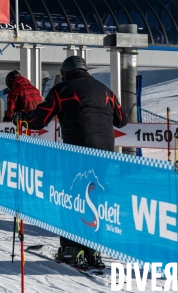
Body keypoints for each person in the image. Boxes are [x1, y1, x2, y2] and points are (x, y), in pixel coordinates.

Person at [20, 55, 128, 268]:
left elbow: (39, 120)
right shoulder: (105, 90)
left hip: (77, 150)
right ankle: (93, 250)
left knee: (72, 196)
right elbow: (122, 120)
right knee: (93, 196)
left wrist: (22, 118)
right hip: (105, 152)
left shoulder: (62, 90)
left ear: (65, 73)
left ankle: (72, 249)